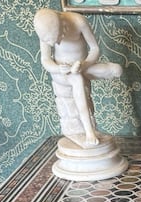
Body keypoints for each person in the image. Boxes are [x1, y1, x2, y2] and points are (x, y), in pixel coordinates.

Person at [33, 8, 122, 147]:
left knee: (116, 70)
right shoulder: (44, 29)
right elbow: (45, 60)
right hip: (63, 73)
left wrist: (84, 64)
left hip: (83, 67)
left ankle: (90, 130)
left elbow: (95, 49)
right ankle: (89, 131)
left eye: (58, 37)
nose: (57, 43)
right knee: (77, 80)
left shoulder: (78, 22)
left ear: (62, 25)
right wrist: (58, 68)